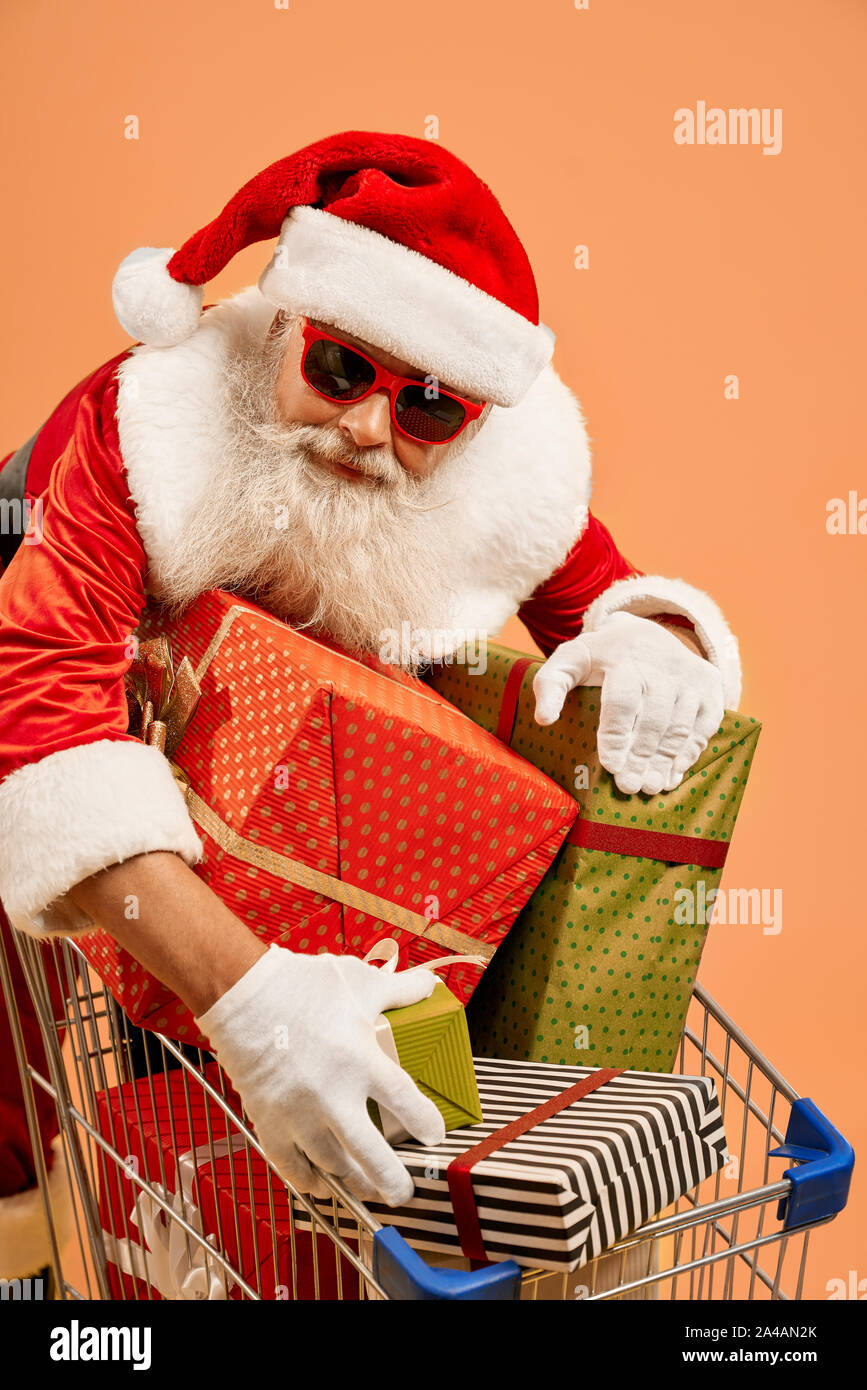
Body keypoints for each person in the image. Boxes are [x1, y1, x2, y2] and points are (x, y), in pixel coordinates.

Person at [0, 130, 741, 1279]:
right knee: (29, 1051)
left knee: (214, 1099)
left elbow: (609, 597)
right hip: (37, 652)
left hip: (245, 774)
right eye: (341, 370)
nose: (364, 430)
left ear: (480, 421)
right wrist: (252, 1003)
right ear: (288, 322)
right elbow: (48, 740)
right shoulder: (146, 423)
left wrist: (663, 644)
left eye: (428, 410)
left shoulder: (512, 484)